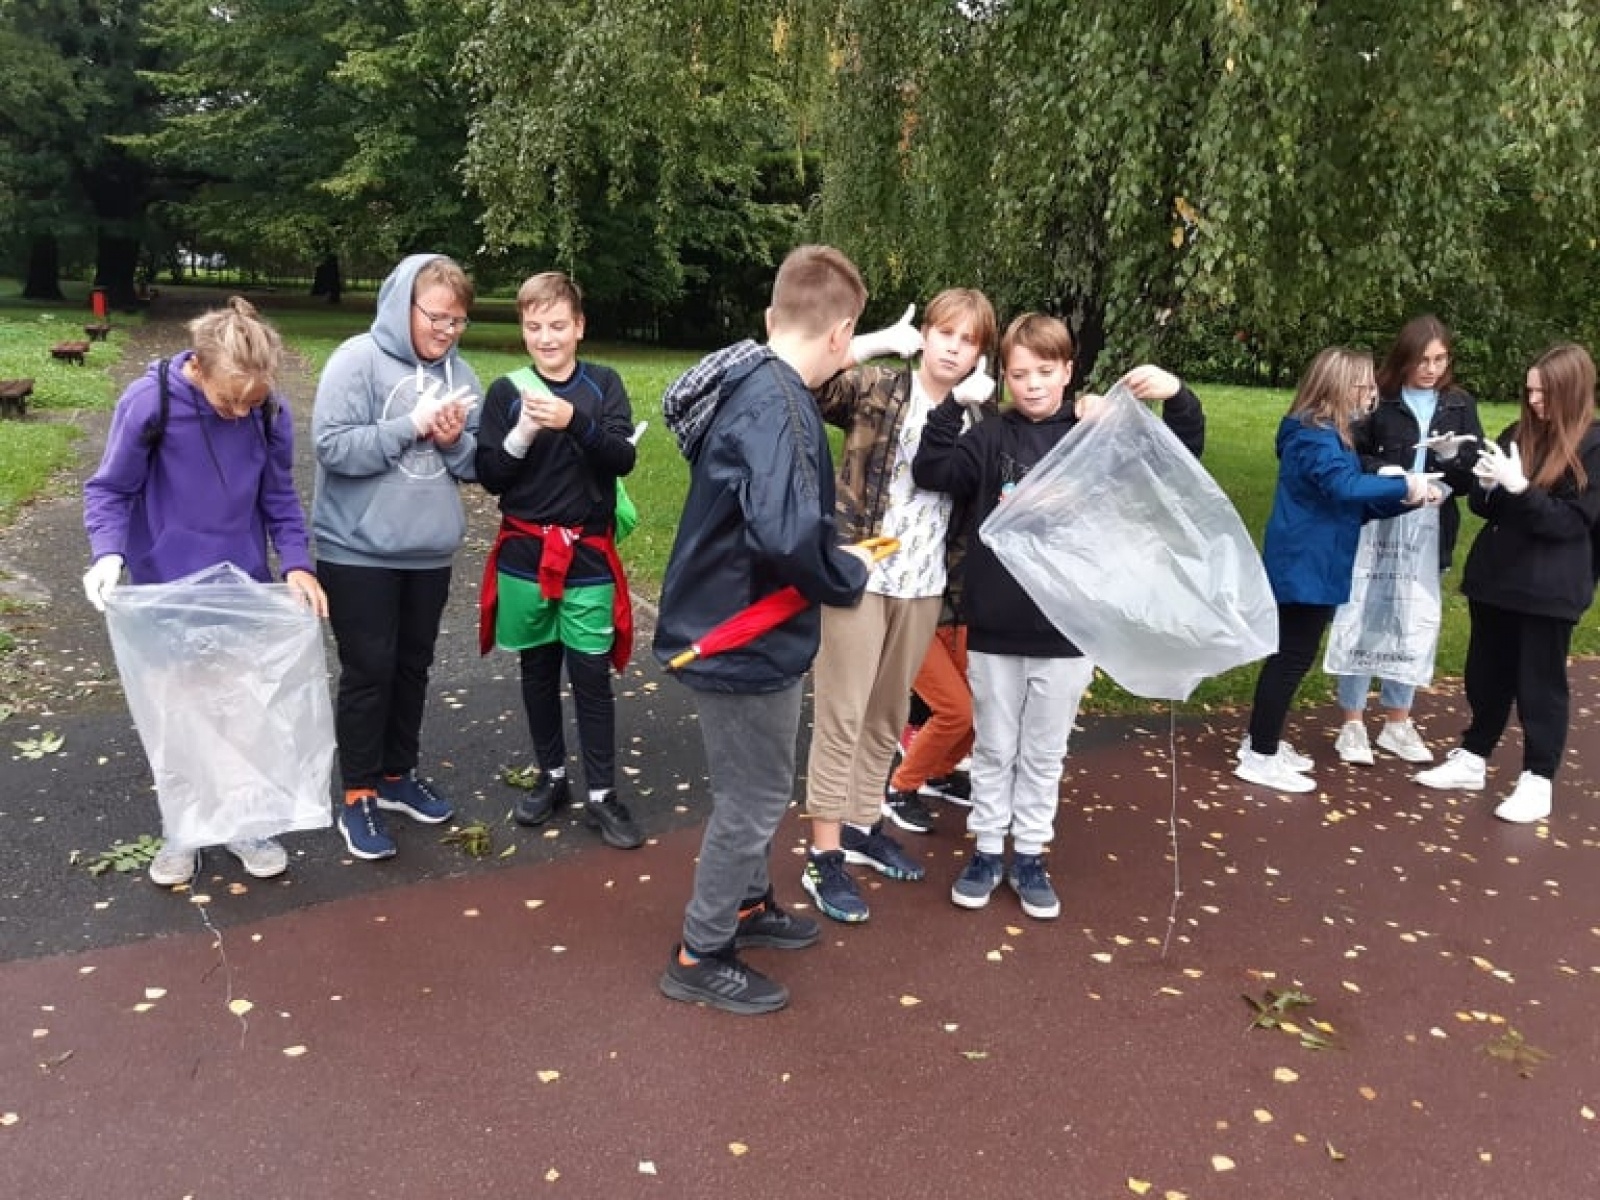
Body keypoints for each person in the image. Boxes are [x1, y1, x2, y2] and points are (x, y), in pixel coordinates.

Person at [912, 313, 1206, 919]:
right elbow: (932, 471)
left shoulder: (1092, 433)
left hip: (1066, 630)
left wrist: (1176, 395)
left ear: (1068, 371)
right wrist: (950, 408)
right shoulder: (991, 437)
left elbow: (1177, 459)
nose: (1033, 385)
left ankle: (1029, 854)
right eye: (1020, 374)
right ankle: (986, 850)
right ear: (1005, 376)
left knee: (1043, 752)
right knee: (994, 747)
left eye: (1045, 371)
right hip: (994, 626)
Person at [654, 244, 873, 1014]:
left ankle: (747, 905)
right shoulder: (778, 405)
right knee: (754, 797)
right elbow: (786, 535)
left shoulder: (754, 382)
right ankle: (701, 949)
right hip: (743, 630)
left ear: (773, 316)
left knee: (750, 787)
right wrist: (846, 572)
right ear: (841, 334)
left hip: (733, 620)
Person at [82, 296, 328, 887]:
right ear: (198, 366)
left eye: (252, 401)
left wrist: (296, 563)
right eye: (228, 401)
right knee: (177, 713)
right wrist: (108, 553)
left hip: (239, 582)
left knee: (240, 710)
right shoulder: (152, 402)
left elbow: (278, 495)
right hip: (164, 586)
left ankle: (244, 822)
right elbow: (110, 489)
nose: (240, 413)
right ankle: (184, 828)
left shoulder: (269, 412)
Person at [799, 288, 998, 923]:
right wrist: (875, 342)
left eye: (968, 340)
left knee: (886, 716)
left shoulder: (977, 417)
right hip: (859, 575)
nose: (953, 348)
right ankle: (822, 855)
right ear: (927, 335)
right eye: (945, 332)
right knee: (843, 714)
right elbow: (804, 381)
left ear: (980, 353)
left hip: (924, 585)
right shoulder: (881, 387)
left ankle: (862, 826)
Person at [311, 253, 481, 861]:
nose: (446, 331)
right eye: (436, 317)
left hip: (428, 551)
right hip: (358, 550)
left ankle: (395, 776)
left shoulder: (461, 373)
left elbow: (474, 464)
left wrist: (454, 440)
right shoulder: (356, 360)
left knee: (413, 666)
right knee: (369, 670)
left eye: (457, 321)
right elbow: (332, 448)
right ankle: (357, 793)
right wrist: (410, 424)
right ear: (402, 305)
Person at [475, 272, 642, 849]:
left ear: (579, 327)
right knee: (538, 669)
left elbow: (621, 458)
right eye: (534, 326)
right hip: (524, 552)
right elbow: (491, 475)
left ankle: (602, 794)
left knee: (590, 675)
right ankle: (551, 777)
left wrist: (575, 423)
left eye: (557, 325)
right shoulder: (506, 392)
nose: (546, 338)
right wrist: (521, 433)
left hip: (586, 554)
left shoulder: (603, 384)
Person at [1236, 347, 1439, 794]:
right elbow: (1343, 487)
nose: (1370, 393)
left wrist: (1409, 497)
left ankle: (1261, 741)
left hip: (1316, 560)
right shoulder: (1315, 435)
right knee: (1291, 658)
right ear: (1340, 387)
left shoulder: (1328, 434)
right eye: (1363, 385)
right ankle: (1259, 755)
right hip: (1306, 562)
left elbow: (1350, 504)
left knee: (1290, 656)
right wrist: (1403, 483)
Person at [1415, 343, 1600, 822]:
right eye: (1530, 391)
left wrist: (1522, 488)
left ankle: (1538, 778)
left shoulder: (1593, 445)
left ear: (1571, 390)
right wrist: (1486, 484)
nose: (1534, 401)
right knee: (1486, 675)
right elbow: (1485, 507)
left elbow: (1569, 523)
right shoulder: (1519, 433)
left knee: (1540, 683)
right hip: (1496, 578)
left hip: (1549, 586)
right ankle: (1474, 755)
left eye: (1544, 393)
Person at [1333, 316, 1484, 765]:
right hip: (1378, 516)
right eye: (1422, 360)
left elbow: (1471, 471)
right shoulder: (1380, 398)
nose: (1431, 369)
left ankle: (1397, 721)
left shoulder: (1458, 403)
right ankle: (1353, 722)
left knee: (1412, 618)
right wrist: (1383, 471)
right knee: (1364, 614)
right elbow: (1351, 450)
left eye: (1440, 359)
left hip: (1431, 522)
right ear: (1404, 359)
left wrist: (1453, 460)